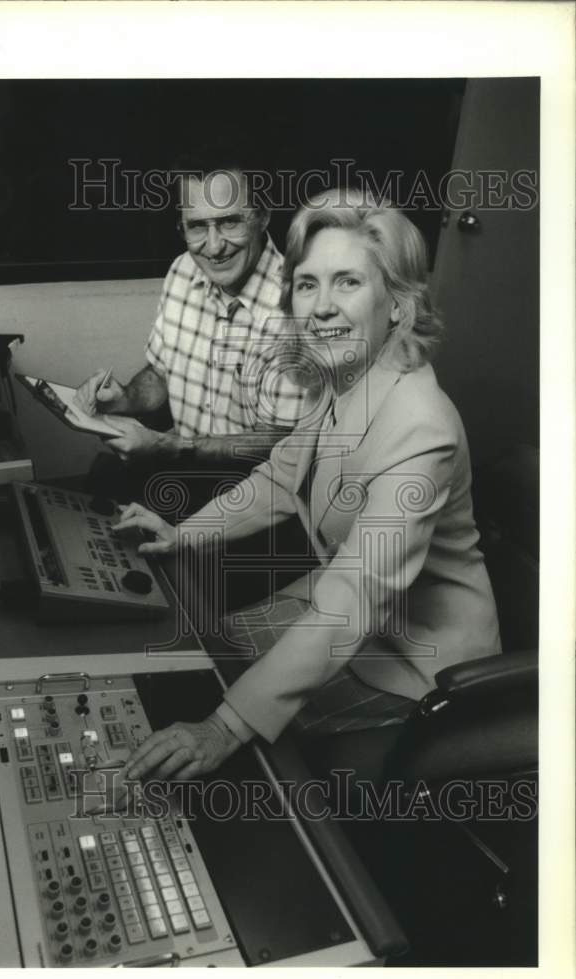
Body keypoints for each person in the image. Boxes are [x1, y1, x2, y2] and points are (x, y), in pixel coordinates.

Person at [110, 188, 502, 784]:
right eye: (307, 283)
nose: (320, 306)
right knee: (212, 656)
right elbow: (276, 479)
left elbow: (354, 599)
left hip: (417, 660)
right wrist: (181, 533)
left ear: (397, 304)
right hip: (350, 608)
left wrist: (222, 728)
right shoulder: (343, 377)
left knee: (239, 735)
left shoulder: (422, 429)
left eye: (348, 282)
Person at [74, 156, 312, 470]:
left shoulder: (300, 304)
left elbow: (283, 443)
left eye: (230, 222)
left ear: (262, 217)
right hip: (183, 474)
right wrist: (124, 398)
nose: (214, 248)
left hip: (254, 496)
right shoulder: (182, 270)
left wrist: (170, 447)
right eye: (197, 226)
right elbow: (160, 374)